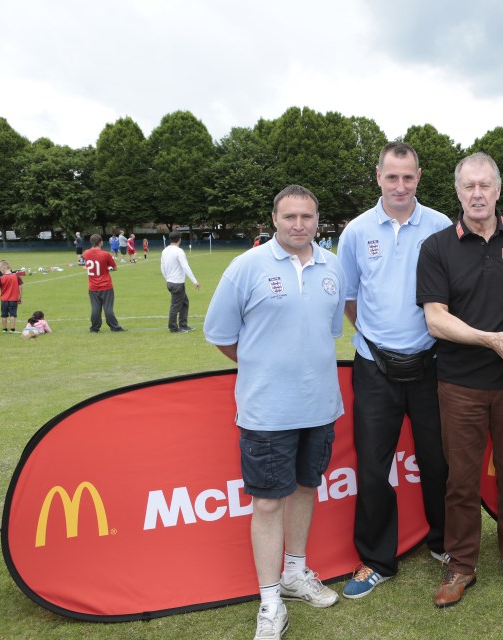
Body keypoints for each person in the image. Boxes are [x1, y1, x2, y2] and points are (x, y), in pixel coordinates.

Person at [204, 185, 344, 640]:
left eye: (306, 216)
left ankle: (295, 573)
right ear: (274, 219)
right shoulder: (246, 266)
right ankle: (269, 601)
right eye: (289, 217)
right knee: (267, 501)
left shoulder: (332, 266)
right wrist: (264, 366)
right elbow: (223, 335)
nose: (298, 224)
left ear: (317, 220)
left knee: (305, 489)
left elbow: (326, 331)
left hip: (319, 404)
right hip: (266, 410)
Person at [416, 152, 503, 608]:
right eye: (468, 186)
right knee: (461, 482)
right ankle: (461, 564)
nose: (477, 194)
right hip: (459, 384)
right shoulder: (436, 247)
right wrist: (490, 340)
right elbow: (435, 320)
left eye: (485, 185)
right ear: (457, 191)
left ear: (498, 189)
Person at [337, 142, 452, 599]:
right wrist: (375, 336)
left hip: (432, 364)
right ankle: (377, 560)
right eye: (392, 177)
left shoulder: (442, 225)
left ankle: (445, 545)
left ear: (419, 177)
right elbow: (349, 297)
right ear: (378, 177)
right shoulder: (356, 230)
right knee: (372, 467)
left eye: (408, 177)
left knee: (439, 462)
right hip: (374, 366)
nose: (400, 185)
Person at [83, 234, 125, 333]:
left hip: (93, 286)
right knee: (108, 308)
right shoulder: (105, 254)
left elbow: (88, 265)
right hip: (105, 285)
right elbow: (114, 268)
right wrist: (107, 268)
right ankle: (114, 327)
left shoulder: (86, 253)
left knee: (95, 308)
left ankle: (94, 327)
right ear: (100, 242)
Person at [160, 231, 200, 333]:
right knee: (175, 305)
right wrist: (195, 281)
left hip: (170, 282)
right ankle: (173, 327)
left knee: (184, 302)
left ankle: (183, 324)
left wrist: (167, 279)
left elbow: (162, 267)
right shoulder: (179, 251)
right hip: (177, 283)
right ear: (180, 239)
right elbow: (185, 266)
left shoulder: (165, 251)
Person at [0, 260, 22, 333]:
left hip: (4, 300)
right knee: (13, 314)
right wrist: (20, 297)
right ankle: (12, 329)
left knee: (4, 314)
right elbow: (20, 288)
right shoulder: (16, 277)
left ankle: (4, 329)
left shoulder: (0, 278)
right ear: (9, 267)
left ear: (2, 269)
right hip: (14, 299)